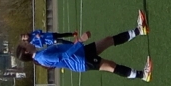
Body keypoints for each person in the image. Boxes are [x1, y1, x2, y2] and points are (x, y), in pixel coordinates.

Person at [18, 13, 150, 80]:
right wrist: (80, 40)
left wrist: (76, 44)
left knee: (108, 40)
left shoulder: (40, 55)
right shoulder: (42, 57)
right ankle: (143, 75)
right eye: (25, 44)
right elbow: (64, 56)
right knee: (111, 66)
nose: (27, 42)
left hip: (81, 52)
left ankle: (139, 30)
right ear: (26, 51)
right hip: (81, 61)